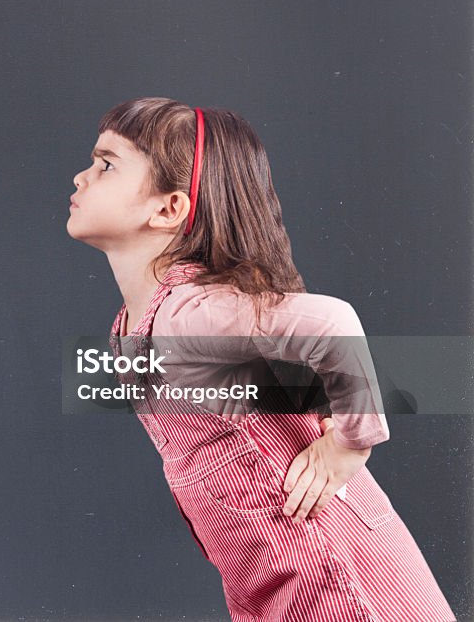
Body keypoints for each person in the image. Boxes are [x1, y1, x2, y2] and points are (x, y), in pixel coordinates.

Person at [66, 98, 455, 621]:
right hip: (282, 578)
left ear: (168, 209)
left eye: (106, 165)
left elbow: (332, 322)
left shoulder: (191, 314)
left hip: (335, 579)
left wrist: (350, 443)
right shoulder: (137, 324)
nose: (81, 177)